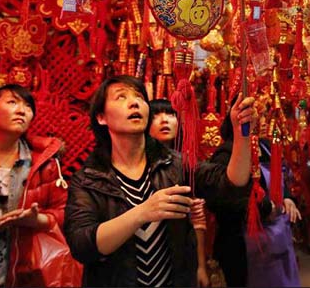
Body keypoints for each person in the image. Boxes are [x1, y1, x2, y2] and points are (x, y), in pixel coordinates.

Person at [64, 75, 256, 287]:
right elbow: (82, 245)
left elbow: (229, 186)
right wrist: (143, 212)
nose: (134, 102)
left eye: (139, 97)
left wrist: (241, 135)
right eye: (121, 97)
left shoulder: (173, 164)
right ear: (101, 117)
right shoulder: (89, 178)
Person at [0, 84, 78, 287]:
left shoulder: (45, 164)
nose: (22, 110)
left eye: (28, 106)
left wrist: (37, 220)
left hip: (23, 272)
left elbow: (64, 213)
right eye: (12, 102)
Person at [206, 112, 302, 287]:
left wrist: (287, 198)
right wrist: (265, 208)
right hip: (245, 248)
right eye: (256, 116)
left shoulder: (264, 146)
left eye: (263, 116)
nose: (262, 121)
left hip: (279, 240)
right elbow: (223, 199)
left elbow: (279, 177)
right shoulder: (225, 154)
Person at [149, 99, 209, 287]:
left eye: (170, 114)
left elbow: (197, 218)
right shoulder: (135, 163)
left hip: (180, 258)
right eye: (156, 115)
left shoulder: (186, 164)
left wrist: (200, 266)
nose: (164, 120)